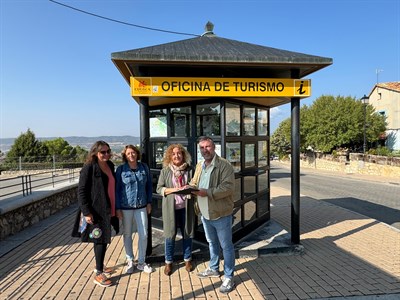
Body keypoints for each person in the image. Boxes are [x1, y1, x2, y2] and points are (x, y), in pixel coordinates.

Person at [190, 136, 236, 294]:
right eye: (202, 148)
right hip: (204, 213)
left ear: (213, 147)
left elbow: (228, 188)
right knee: (212, 243)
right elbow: (194, 182)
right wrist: (187, 187)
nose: (205, 150)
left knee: (226, 246)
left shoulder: (224, 165)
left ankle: (229, 276)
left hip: (221, 214)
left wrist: (207, 192)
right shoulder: (199, 165)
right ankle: (214, 268)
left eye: (208, 147)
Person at [72, 140, 117, 288]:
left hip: (108, 209)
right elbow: (81, 191)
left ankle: (101, 266)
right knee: (100, 240)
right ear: (95, 153)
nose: (106, 154)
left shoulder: (110, 166)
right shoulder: (89, 168)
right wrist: (86, 212)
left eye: (108, 151)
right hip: (95, 211)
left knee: (104, 238)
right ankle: (98, 273)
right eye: (103, 152)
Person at [156, 144, 195, 276]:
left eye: (179, 153)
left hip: (186, 207)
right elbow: (159, 189)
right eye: (173, 154)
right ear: (170, 156)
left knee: (187, 234)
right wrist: (174, 190)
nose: (176, 156)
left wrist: (189, 187)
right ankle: (168, 262)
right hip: (170, 209)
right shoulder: (165, 171)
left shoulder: (190, 170)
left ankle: (187, 259)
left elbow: (195, 186)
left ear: (183, 155)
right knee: (169, 235)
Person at [115, 145, 153, 274]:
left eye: (133, 153)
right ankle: (130, 260)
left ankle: (141, 262)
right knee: (127, 234)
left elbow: (149, 186)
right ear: (125, 156)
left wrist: (149, 202)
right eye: (128, 153)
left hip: (141, 206)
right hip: (126, 207)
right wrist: (118, 208)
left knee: (144, 234)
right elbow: (117, 190)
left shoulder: (144, 168)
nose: (131, 155)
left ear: (137, 154)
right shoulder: (121, 170)